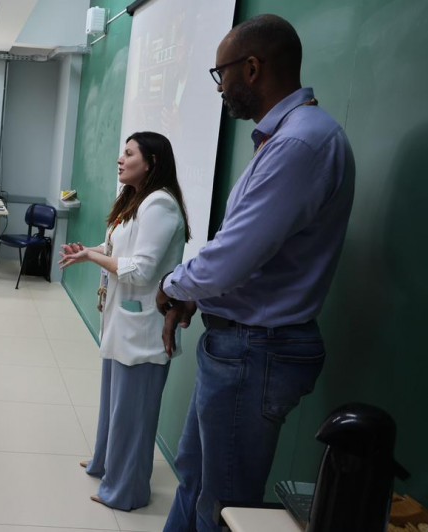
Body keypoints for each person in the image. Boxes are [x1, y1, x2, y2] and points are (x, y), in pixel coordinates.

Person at [157, 15, 355, 532]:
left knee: (221, 508)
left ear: (251, 68)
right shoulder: (286, 138)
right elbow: (240, 253)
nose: (219, 88)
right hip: (241, 346)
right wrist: (194, 292)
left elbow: (232, 257)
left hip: (255, 351)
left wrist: (173, 285)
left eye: (220, 74)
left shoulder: (300, 144)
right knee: (196, 482)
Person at [59, 132, 190, 511]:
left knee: (134, 414)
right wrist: (89, 252)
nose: (120, 159)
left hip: (146, 329)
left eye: (129, 153)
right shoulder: (135, 200)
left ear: (150, 162)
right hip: (123, 321)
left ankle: (127, 490)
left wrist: (97, 259)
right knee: (115, 403)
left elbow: (142, 271)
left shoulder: (161, 205)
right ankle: (105, 463)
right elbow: (118, 250)